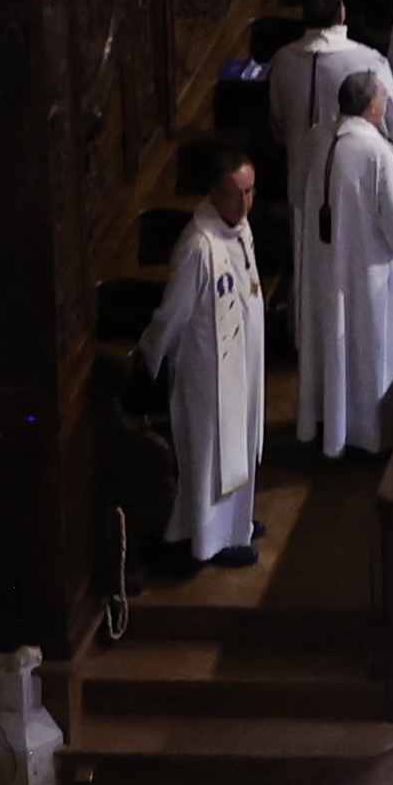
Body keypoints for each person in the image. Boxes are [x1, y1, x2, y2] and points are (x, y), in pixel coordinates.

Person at [147, 158, 269, 567]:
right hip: (208, 372)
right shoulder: (199, 246)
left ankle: (236, 524)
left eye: (251, 191)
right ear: (215, 193)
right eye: (237, 193)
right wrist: (148, 359)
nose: (246, 202)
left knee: (239, 443)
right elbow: (172, 314)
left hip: (241, 362)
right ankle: (207, 541)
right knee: (210, 456)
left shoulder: (237, 226)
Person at [303, 66, 393, 458]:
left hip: (325, 264)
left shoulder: (320, 137)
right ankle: (370, 434)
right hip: (367, 270)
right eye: (383, 97)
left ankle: (333, 425)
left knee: (334, 344)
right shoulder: (376, 151)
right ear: (370, 107)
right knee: (369, 348)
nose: (386, 103)